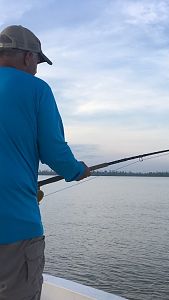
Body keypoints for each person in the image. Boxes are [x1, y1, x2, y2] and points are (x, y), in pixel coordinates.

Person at [0, 25, 91, 299]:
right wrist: (77, 170)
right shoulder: (36, 89)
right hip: (13, 225)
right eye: (38, 62)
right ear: (28, 56)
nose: (37, 69)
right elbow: (54, 151)